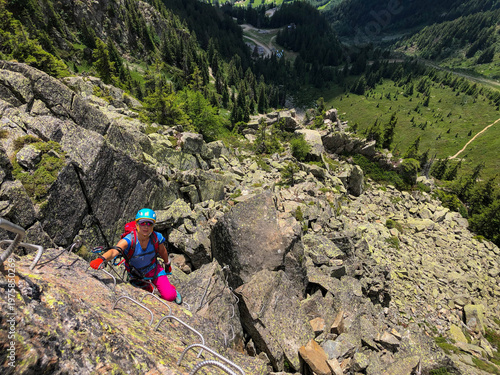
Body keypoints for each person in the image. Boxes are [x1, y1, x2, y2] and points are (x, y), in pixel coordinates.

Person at [90, 208, 182, 304]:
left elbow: (162, 251)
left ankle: (172, 291)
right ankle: (148, 286)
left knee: (169, 296)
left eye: (149, 223)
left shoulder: (156, 238)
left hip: (153, 269)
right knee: (146, 296)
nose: (146, 227)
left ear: (153, 226)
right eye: (143, 223)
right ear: (137, 224)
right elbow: (114, 251)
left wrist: (167, 263)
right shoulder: (129, 240)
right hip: (136, 274)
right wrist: (102, 259)